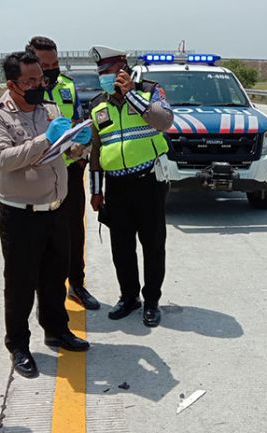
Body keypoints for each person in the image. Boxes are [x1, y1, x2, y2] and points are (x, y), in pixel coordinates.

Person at [0, 49, 90, 380]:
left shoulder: (50, 109)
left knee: (54, 278)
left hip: (55, 210)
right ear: (12, 84)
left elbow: (63, 151)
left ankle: (57, 330)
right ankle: (18, 345)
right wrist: (46, 139)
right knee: (20, 284)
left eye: (40, 78)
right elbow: (3, 159)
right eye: (30, 81)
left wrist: (78, 144)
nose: (38, 85)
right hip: (20, 216)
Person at [87, 45, 174, 327]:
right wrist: (96, 190)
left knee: (152, 245)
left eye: (109, 71)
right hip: (116, 187)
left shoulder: (151, 92)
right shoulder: (98, 105)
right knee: (121, 247)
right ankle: (128, 297)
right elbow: (96, 153)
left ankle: (151, 301)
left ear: (123, 68)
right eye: (100, 72)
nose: (104, 77)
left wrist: (131, 95)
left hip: (148, 182)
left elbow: (164, 122)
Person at [27, 36, 100, 311]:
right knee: (40, 237)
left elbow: (79, 120)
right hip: (36, 175)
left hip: (68, 172)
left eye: (55, 63)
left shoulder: (68, 86)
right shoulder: (26, 90)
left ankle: (77, 285)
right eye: (45, 64)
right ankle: (43, 292)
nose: (51, 68)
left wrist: (81, 149)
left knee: (73, 232)